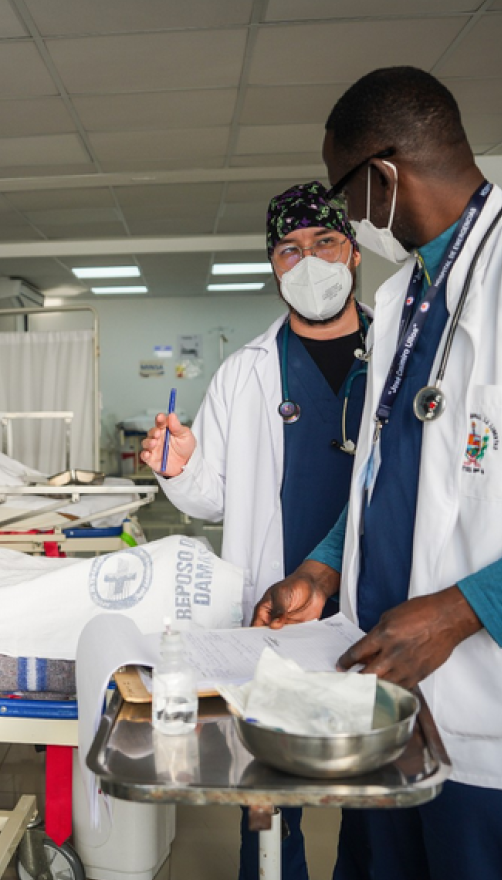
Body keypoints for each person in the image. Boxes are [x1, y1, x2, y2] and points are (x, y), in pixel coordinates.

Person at [254, 66, 502, 880]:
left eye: (346, 196)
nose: (347, 220)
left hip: (498, 690)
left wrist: (457, 613)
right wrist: (324, 564)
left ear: (382, 176)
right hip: (387, 688)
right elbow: (388, 466)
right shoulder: (406, 295)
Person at [140, 182, 370, 880]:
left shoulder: (400, 354)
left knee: (382, 786)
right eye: (289, 251)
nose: (309, 264)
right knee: (268, 792)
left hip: (378, 600)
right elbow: (213, 499)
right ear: (273, 266)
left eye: (325, 244)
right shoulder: (246, 373)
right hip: (277, 608)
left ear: (354, 252)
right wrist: (179, 467)